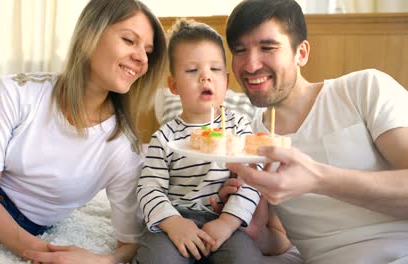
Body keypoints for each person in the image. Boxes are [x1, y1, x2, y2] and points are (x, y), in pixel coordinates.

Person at [0, 0, 167, 263]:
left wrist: (101, 260)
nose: (141, 58)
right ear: (88, 35)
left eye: (148, 51)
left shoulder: (122, 148)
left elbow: (131, 242)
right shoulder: (17, 92)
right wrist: (40, 253)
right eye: (129, 40)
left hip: (8, 229)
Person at [216, 0, 408, 263]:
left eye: (268, 48)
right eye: (239, 51)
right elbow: (281, 240)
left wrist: (318, 179)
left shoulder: (363, 89)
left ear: (301, 53)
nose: (250, 65)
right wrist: (257, 231)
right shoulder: (249, 140)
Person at [134, 18, 286, 264]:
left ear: (225, 81)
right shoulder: (164, 138)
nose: (205, 77)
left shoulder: (238, 128)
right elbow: (149, 188)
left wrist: (227, 223)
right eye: (193, 71)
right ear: (173, 85)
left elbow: (251, 181)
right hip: (177, 218)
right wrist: (173, 223)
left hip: (226, 217)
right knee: (158, 259)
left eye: (214, 70)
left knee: (245, 259)